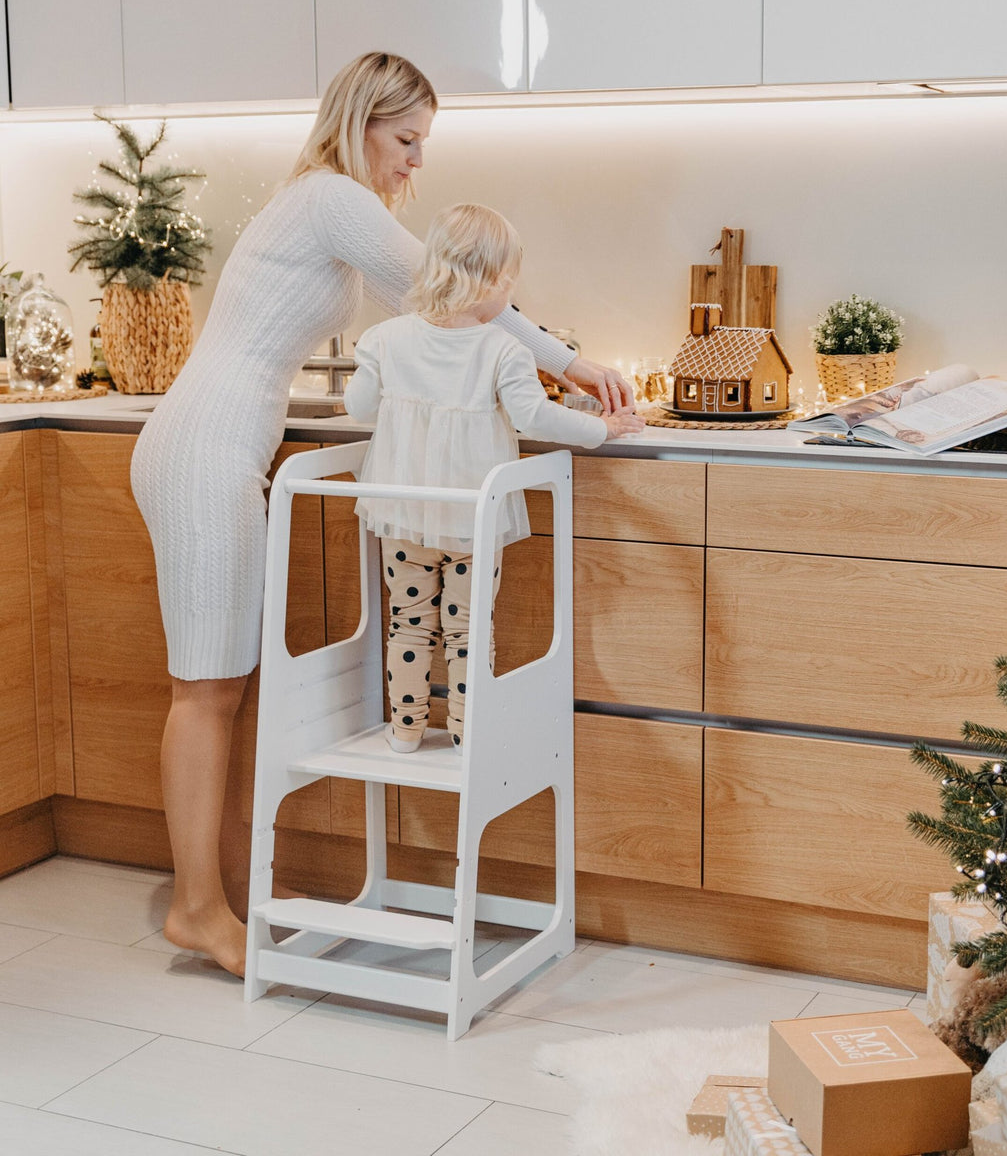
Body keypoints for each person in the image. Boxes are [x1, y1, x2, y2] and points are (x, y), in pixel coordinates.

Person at [129, 52, 642, 978]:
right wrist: (572, 364)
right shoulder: (331, 196)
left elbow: (440, 312)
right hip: (202, 447)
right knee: (205, 689)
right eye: (405, 140)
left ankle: (223, 896)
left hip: (216, 446)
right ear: (362, 120)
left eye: (422, 146)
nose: (414, 163)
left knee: (225, 688)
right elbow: (456, 296)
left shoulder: (320, 201)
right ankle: (198, 910)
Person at [345, 203, 640, 752]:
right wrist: (603, 426)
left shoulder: (385, 338)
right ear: (494, 282)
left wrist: (376, 373)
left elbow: (359, 406)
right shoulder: (503, 349)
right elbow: (535, 417)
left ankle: (404, 731)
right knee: (467, 629)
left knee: (407, 622)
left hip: (402, 513)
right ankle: (465, 733)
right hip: (472, 521)